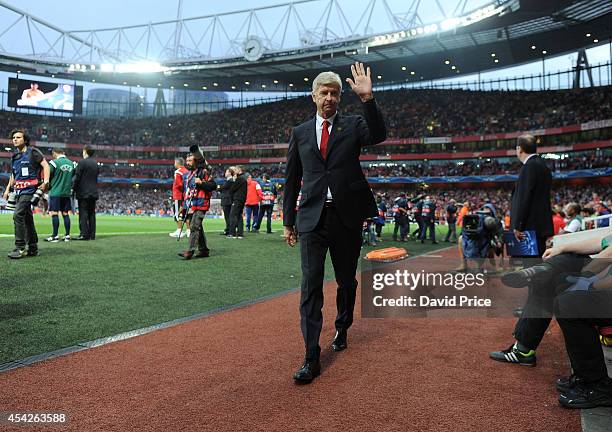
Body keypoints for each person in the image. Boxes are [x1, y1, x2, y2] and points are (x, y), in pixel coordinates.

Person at [283, 62, 387, 383]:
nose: (329, 98)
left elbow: (379, 135)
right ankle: (311, 355)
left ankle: (342, 327)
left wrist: (368, 99)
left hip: (346, 217)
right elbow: (292, 179)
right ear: (313, 96)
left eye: (335, 93)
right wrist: (289, 220)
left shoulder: (354, 124)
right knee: (310, 286)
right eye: (324, 93)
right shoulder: (299, 132)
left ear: (340, 97)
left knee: (346, 281)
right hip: (312, 219)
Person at [490, 134, 554, 365]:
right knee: (534, 271)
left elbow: (524, 198)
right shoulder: (543, 166)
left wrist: (517, 225)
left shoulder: (530, 167)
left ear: (519, 148)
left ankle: (529, 320)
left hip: (528, 230)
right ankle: (529, 309)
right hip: (538, 227)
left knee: (532, 272)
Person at [3, 129, 50, 259]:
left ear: (25, 140)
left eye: (18, 137)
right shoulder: (15, 156)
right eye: (13, 137)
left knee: (17, 215)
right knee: (27, 219)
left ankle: (20, 247)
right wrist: (8, 189)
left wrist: (45, 182)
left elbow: (45, 165)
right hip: (18, 191)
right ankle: (33, 248)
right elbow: (14, 174)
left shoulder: (33, 152)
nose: (15, 139)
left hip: (30, 191)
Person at [178, 154, 217, 260]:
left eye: (190, 160)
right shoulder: (188, 175)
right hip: (191, 204)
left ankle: (190, 251)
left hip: (201, 203)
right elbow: (187, 192)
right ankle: (204, 250)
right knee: (198, 227)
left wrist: (201, 183)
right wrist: (184, 205)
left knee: (194, 226)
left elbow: (213, 185)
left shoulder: (203, 172)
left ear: (196, 161)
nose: (187, 162)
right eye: (187, 160)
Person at [44, 148, 76, 242]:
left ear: (54, 153)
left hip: (55, 192)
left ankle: (55, 235)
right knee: (65, 214)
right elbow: (74, 176)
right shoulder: (72, 164)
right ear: (63, 153)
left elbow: (48, 176)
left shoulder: (54, 163)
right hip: (66, 193)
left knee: (54, 213)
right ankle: (67, 235)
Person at [72, 145, 99, 241]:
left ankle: (84, 234)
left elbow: (77, 178)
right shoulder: (96, 164)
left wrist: (73, 189)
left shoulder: (82, 162)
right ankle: (92, 235)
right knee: (92, 213)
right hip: (94, 192)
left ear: (85, 151)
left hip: (83, 192)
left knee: (83, 213)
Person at [170, 157, 189, 238]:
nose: (174, 164)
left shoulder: (178, 172)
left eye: (175, 163)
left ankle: (179, 231)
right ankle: (189, 231)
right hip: (186, 195)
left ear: (178, 163)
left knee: (177, 213)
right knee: (186, 213)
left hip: (178, 195)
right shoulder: (187, 171)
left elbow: (179, 185)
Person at [228, 165, 247, 238]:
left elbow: (232, 189)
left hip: (237, 199)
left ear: (239, 170)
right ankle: (240, 234)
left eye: (236, 169)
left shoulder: (240, 178)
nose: (234, 171)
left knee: (233, 215)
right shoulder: (243, 178)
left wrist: (233, 180)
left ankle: (232, 233)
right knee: (239, 216)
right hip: (241, 200)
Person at [219, 167, 235, 236]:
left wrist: (219, 187)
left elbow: (222, 188)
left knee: (228, 216)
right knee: (227, 217)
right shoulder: (229, 181)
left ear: (229, 173)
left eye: (226, 172)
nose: (225, 173)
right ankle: (228, 230)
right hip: (226, 200)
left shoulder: (230, 181)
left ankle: (229, 231)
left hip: (227, 201)